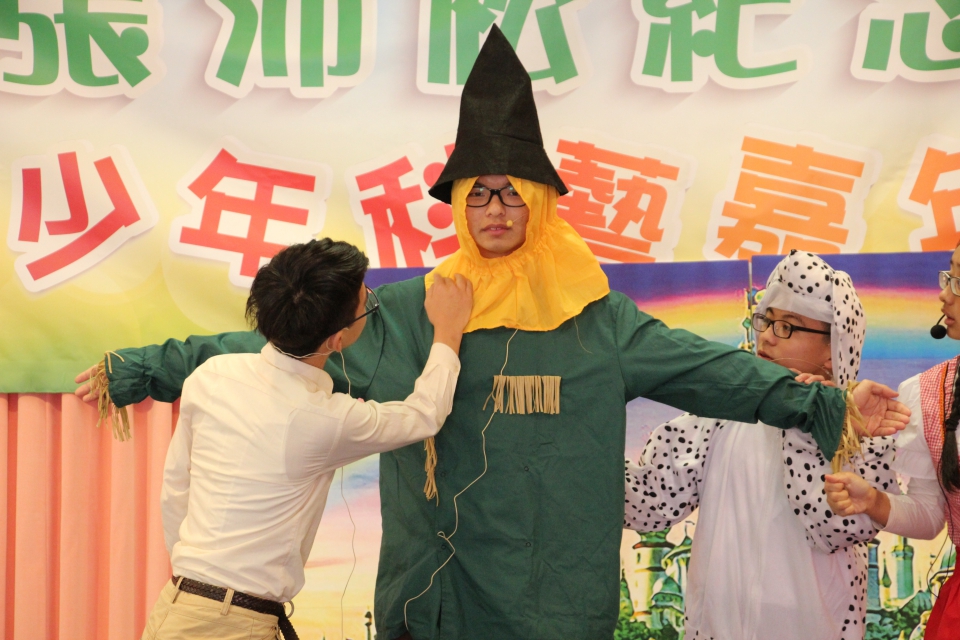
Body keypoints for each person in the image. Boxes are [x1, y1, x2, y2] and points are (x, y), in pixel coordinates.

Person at [77, 27, 909, 640]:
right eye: (479, 193)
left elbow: (708, 371)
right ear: (458, 204)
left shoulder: (596, 319)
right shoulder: (415, 311)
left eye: (512, 193)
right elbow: (268, 350)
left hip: (549, 612)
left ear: (539, 201)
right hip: (430, 602)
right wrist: (143, 368)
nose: (496, 209)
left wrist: (825, 403)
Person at [137, 239, 473, 640]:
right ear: (338, 340)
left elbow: (177, 487)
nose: (371, 300)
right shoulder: (322, 419)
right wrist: (447, 331)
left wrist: (198, 580)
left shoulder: (211, 376)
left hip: (179, 604)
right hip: (229, 624)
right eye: (366, 302)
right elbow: (424, 415)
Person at [624, 250, 899, 640]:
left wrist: (812, 418)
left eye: (787, 326)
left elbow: (835, 528)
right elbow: (649, 505)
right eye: (765, 320)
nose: (767, 335)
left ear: (832, 346)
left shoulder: (861, 427)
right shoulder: (718, 416)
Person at [825, 245, 960, 640]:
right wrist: (872, 500)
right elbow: (930, 514)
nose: (944, 294)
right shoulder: (931, 392)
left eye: (958, 281)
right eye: (949, 276)